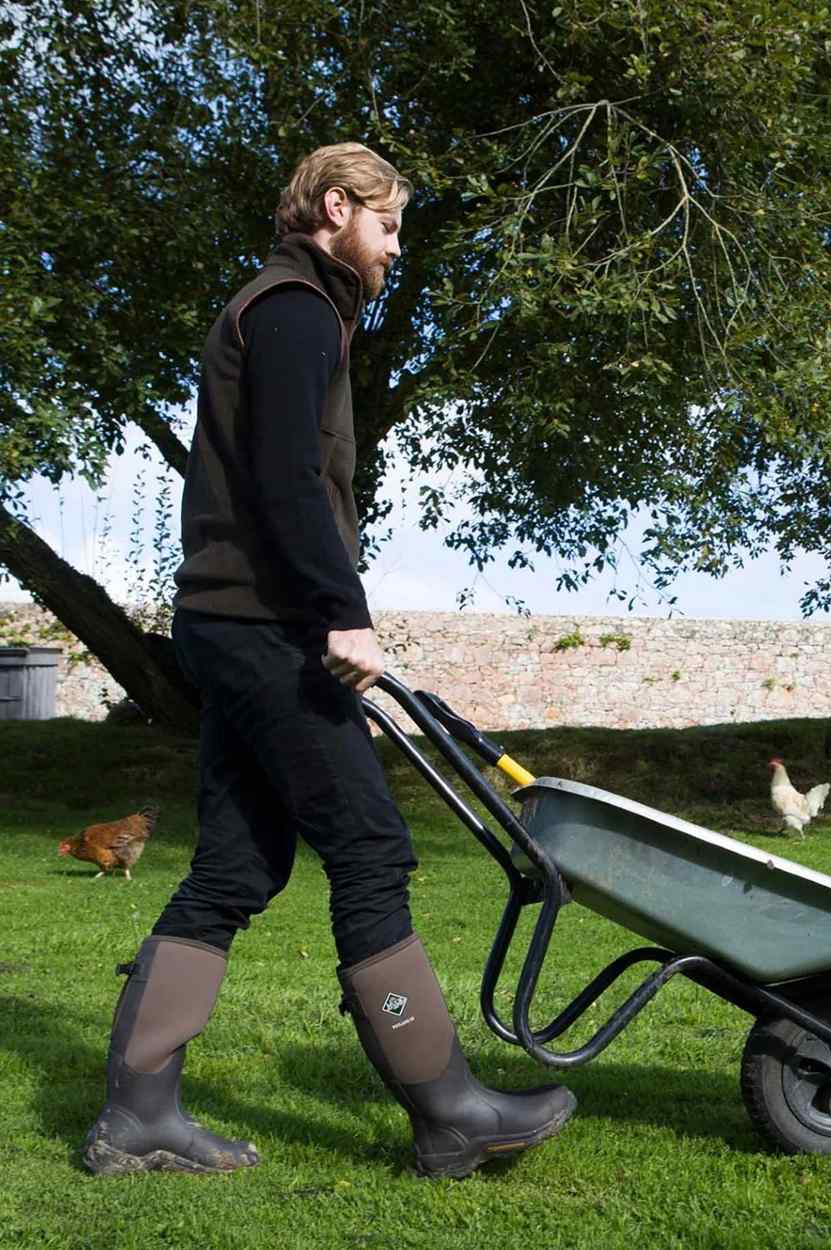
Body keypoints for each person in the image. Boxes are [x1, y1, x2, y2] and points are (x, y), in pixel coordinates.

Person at [82, 143, 575, 1181]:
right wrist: (340, 615)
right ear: (336, 207)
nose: (395, 249)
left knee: (234, 865)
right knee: (370, 847)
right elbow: (289, 478)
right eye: (389, 225)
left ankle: (137, 1117)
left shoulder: (284, 309)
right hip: (264, 624)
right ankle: (448, 1112)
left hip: (237, 625)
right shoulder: (296, 307)